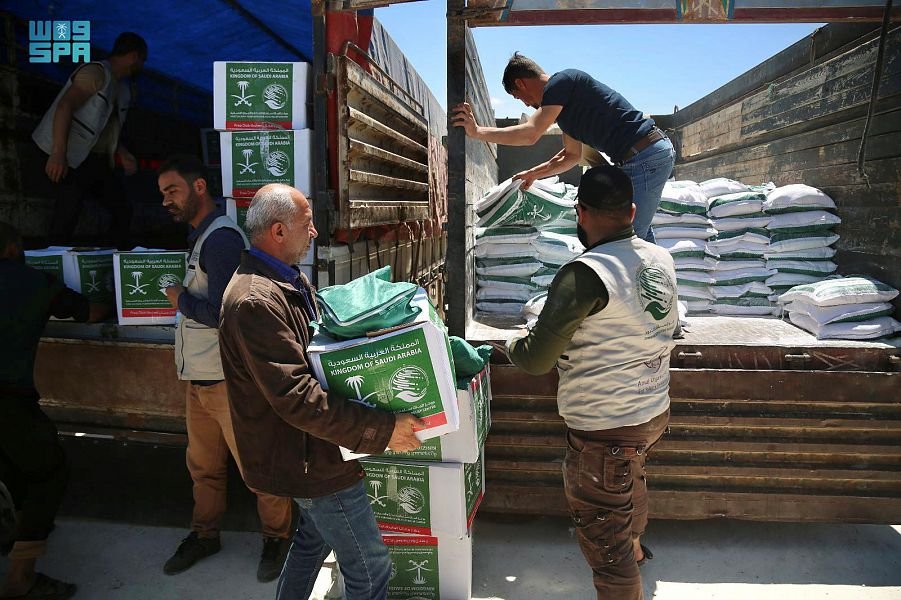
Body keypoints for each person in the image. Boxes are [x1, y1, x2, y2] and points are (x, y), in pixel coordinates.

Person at [218, 184, 424, 600]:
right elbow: (298, 397)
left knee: (311, 542)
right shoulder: (255, 301)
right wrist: (383, 430)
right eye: (307, 223)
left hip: (313, 451)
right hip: (310, 460)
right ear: (278, 231)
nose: (313, 233)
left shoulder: (285, 279)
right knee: (371, 568)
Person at [501, 166, 678, 600]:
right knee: (629, 481)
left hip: (606, 427)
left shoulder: (585, 273)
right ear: (632, 212)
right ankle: (635, 549)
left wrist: (511, 343)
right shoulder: (660, 258)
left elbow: (536, 359)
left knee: (605, 541)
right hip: (652, 410)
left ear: (580, 213)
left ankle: (625, 565)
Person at [155, 156, 296, 581]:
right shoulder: (202, 237)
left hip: (226, 382)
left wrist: (179, 299)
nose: (166, 200)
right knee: (203, 467)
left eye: (172, 190)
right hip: (199, 380)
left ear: (199, 187)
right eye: (162, 194)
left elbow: (223, 313)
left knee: (257, 466)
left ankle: (278, 539)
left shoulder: (219, 240)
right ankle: (205, 534)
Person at [453, 52, 675, 243]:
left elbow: (531, 133)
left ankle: (647, 279)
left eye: (518, 97)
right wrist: (533, 174)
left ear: (520, 83)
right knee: (638, 237)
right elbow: (570, 156)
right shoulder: (566, 111)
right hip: (640, 158)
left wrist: (477, 132)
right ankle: (656, 279)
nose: (526, 104)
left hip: (646, 156)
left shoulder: (562, 82)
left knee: (627, 240)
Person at [0, 221, 106, 600]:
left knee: (13, 469)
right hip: (9, 403)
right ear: (13, 248)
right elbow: (90, 312)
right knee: (49, 473)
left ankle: (17, 532)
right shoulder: (33, 282)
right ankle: (21, 577)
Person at [32, 32, 147, 249]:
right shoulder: (96, 72)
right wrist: (58, 153)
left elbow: (106, 127)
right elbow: (65, 106)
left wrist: (122, 152)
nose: (142, 66)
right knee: (68, 211)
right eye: (142, 60)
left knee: (122, 208)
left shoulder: (123, 89)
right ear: (134, 56)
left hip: (95, 159)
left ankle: (111, 256)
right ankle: (56, 261)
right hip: (69, 154)